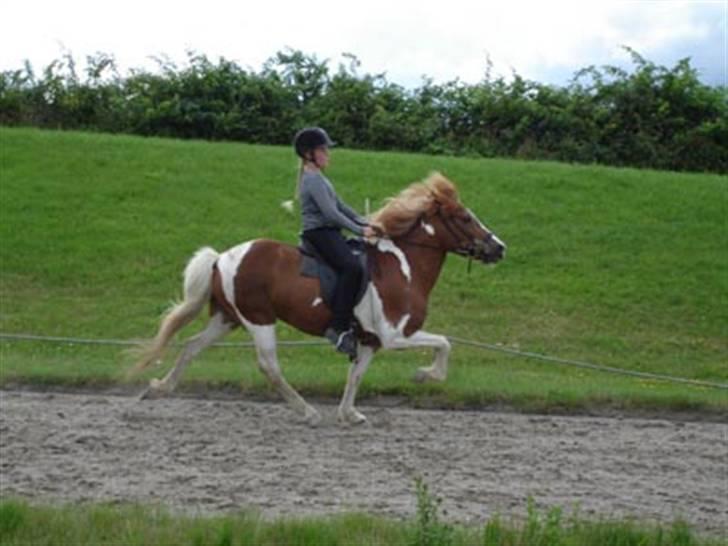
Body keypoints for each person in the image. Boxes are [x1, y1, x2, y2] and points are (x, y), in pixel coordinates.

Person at [293, 127, 376, 360]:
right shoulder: (312, 180)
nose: (327, 153)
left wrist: (367, 221)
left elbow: (340, 206)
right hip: (319, 233)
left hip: (329, 232)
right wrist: (360, 230)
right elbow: (330, 214)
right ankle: (338, 327)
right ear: (309, 154)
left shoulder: (319, 178)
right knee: (351, 267)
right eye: (323, 149)